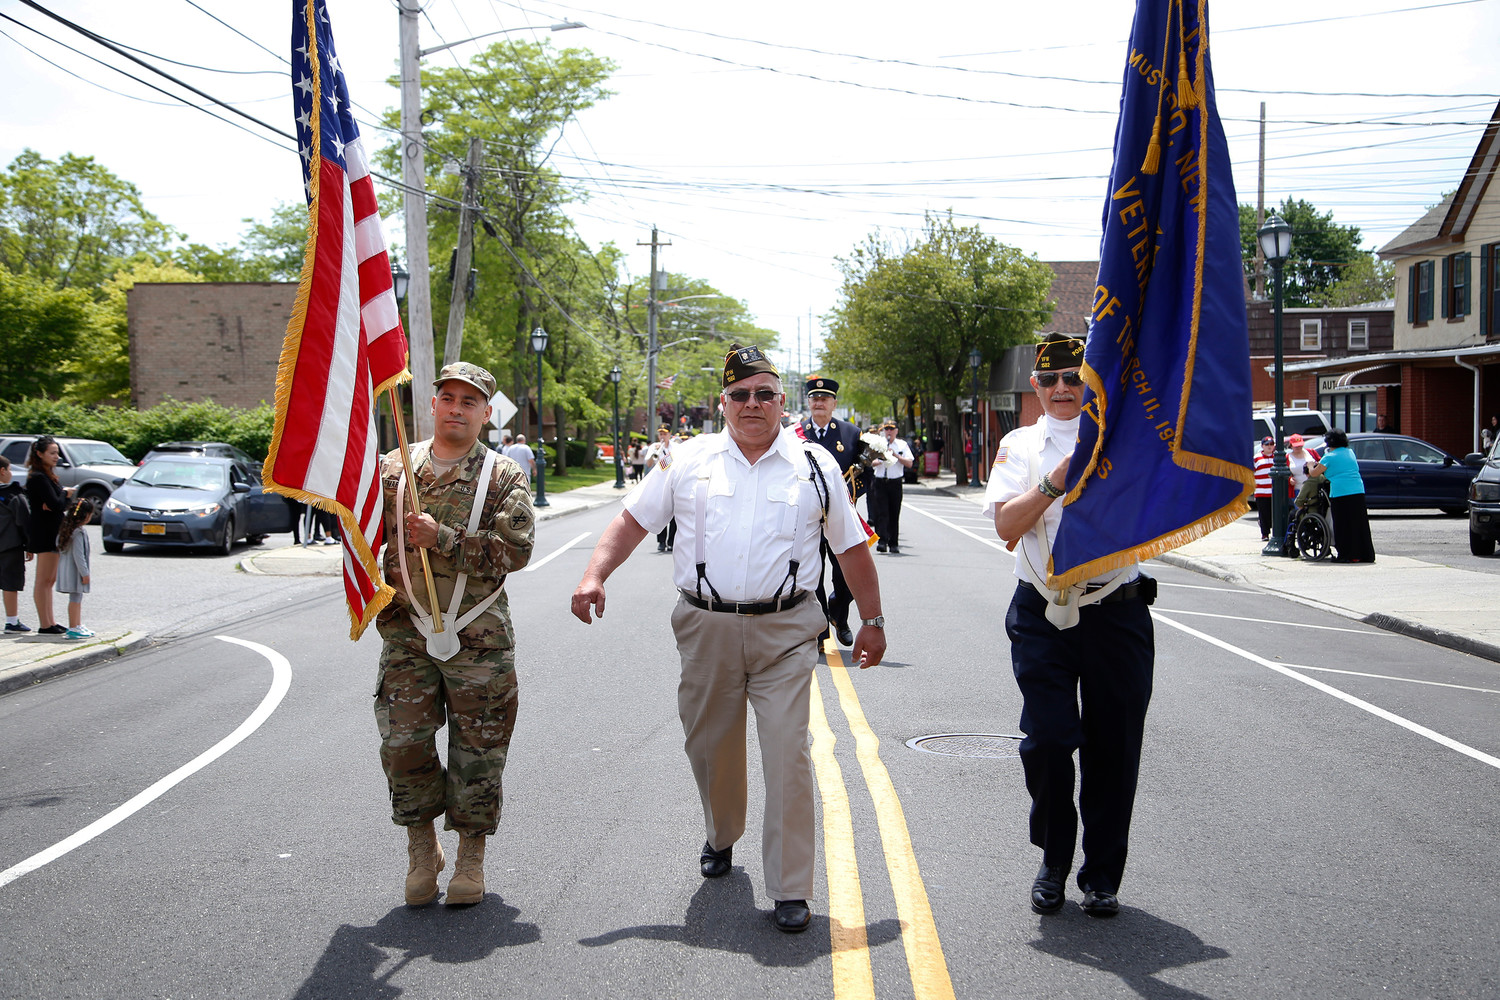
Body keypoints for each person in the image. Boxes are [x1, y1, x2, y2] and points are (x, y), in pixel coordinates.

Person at [570, 345, 886, 935]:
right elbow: (634, 520)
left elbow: (849, 546)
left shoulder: (813, 466)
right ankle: (722, 832)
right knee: (711, 750)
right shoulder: (687, 459)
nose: (751, 404)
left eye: (764, 393)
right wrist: (594, 575)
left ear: (781, 403)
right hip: (706, 627)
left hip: (788, 630)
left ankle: (791, 886)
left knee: (789, 754)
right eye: (739, 394)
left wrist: (871, 619)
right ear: (723, 402)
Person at [987, 333, 1156, 919]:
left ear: (1090, 383)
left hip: (1117, 608)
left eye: (1073, 377)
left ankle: (1102, 875)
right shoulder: (1020, 445)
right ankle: (1054, 858)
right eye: (1050, 379)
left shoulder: (1127, 441)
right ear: (1034, 387)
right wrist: (1057, 479)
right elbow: (1008, 526)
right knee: (1050, 741)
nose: (1062, 388)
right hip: (1041, 608)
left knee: (1114, 747)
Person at [374, 362, 536, 907]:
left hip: (478, 637)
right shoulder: (393, 469)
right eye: (449, 398)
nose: (457, 409)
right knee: (403, 745)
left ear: (486, 415)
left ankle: (470, 855)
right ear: (435, 404)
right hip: (407, 633)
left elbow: (516, 552)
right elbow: (363, 536)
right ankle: (422, 850)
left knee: (479, 750)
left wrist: (441, 537)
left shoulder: (503, 476)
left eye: (470, 402)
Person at [799, 375, 864, 645]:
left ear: (834, 403)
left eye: (824, 398)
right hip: (809, 518)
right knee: (812, 574)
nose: (819, 403)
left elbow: (862, 474)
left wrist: (852, 497)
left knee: (845, 576)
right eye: (814, 398)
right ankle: (821, 628)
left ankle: (840, 613)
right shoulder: (796, 433)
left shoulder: (851, 433)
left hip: (839, 517)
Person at [25, 436, 71, 637]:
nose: (56, 456)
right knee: (43, 579)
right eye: (52, 453)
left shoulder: (48, 475)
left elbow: (57, 506)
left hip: (54, 529)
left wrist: (59, 500)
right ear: (40, 454)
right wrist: (66, 494)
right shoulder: (38, 477)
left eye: (57, 452)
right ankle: (45, 624)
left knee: (50, 580)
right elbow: (57, 504)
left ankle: (50, 621)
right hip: (44, 532)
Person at [1310, 429, 1375, 564]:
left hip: (1341, 492)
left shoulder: (1329, 456)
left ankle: (1346, 554)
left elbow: (1315, 473)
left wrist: (1310, 465)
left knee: (1343, 524)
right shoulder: (1350, 452)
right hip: (1357, 490)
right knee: (1359, 524)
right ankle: (1364, 553)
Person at [869, 420, 915, 554]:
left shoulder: (902, 445)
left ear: (896, 431)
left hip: (895, 482)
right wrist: (880, 459)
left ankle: (893, 543)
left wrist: (895, 455)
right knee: (881, 512)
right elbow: (869, 461)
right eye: (886, 429)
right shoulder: (878, 444)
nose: (888, 431)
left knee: (894, 513)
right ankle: (882, 541)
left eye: (891, 429)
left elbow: (909, 463)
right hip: (880, 481)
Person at [55, 497, 96, 640]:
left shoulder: (66, 529)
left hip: (67, 570)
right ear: (86, 516)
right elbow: (79, 556)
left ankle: (77, 625)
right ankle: (73, 628)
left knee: (76, 597)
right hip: (75, 571)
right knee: (76, 598)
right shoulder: (78, 532)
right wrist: (85, 573)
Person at [0, 455, 32, 633]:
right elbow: (23, 521)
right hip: (10, 545)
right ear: (2, 471)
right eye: (10, 469)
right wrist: (29, 545)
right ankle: (11, 622)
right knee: (10, 583)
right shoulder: (13, 494)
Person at [643, 426, 677, 552]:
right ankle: (661, 542)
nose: (662, 436)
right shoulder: (654, 447)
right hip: (660, 484)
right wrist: (655, 453)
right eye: (660, 433)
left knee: (674, 515)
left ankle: (671, 541)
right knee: (661, 512)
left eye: (665, 433)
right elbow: (648, 464)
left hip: (673, 482)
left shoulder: (676, 447)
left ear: (670, 434)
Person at [1252, 436, 1274, 542]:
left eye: (1271, 444)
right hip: (1261, 491)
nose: (1269, 447)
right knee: (1264, 513)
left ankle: (1274, 532)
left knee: (1273, 514)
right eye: (1267, 445)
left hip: (1274, 491)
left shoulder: (1278, 457)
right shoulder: (1257, 458)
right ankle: (1265, 533)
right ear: (1262, 446)